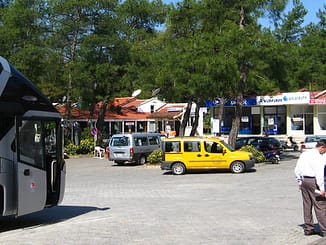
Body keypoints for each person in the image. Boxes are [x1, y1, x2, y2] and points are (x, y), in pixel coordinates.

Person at [294, 139, 326, 236]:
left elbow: (297, 170)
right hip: (313, 181)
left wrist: (299, 181)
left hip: (304, 181)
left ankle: (308, 228)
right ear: (322, 147)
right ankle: (324, 230)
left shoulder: (305, 154)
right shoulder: (318, 157)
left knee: (307, 205)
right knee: (320, 205)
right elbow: (319, 174)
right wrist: (322, 188)